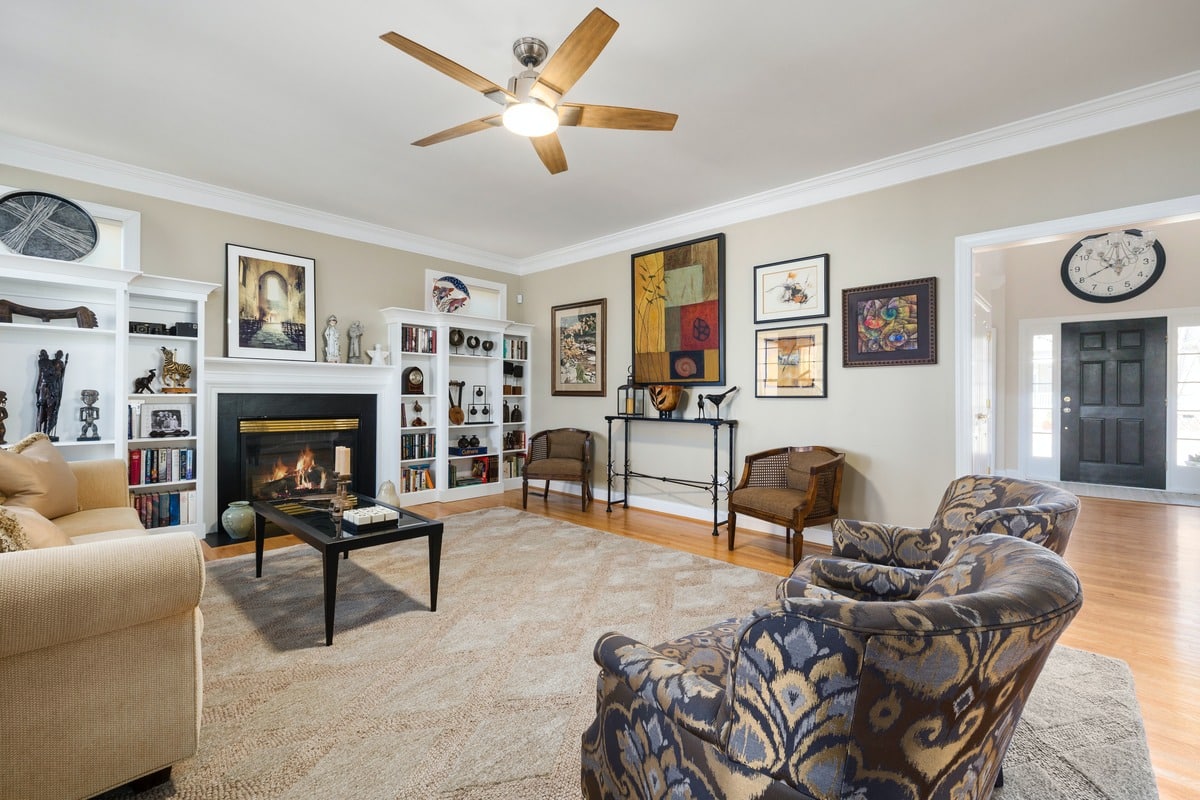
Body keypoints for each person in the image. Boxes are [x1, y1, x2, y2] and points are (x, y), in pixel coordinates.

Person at [35, 349, 68, 441]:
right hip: (45, 390)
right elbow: (47, 375)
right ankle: (39, 432)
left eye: (60, 355)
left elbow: (60, 376)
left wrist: (63, 369)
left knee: (51, 412)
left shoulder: (58, 364)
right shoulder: (46, 363)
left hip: (53, 390)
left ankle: (46, 432)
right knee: (42, 412)